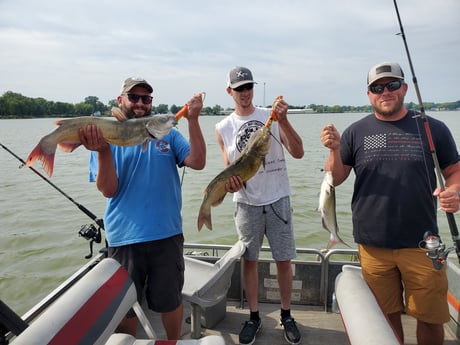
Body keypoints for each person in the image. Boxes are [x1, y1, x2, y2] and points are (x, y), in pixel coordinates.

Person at [320, 62, 460, 345]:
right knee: (384, 317)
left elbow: (454, 171)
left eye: (392, 85)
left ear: (404, 88)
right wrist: (334, 150)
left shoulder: (433, 127)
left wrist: (455, 191)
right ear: (369, 94)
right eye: (377, 87)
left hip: (422, 244)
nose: (385, 92)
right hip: (373, 247)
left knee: (432, 319)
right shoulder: (355, 132)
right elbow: (334, 179)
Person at [79, 77, 206, 339]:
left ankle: (172, 343)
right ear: (120, 100)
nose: (139, 103)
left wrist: (193, 120)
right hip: (124, 239)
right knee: (126, 309)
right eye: (133, 97)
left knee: (170, 302)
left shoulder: (167, 133)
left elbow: (197, 161)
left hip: (166, 235)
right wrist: (103, 151)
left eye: (146, 99)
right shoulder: (106, 135)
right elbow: (108, 190)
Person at [215, 66, 304, 345]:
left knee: (284, 260)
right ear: (230, 91)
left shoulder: (271, 117)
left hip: (278, 198)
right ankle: (253, 316)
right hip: (246, 204)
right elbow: (230, 168)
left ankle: (286, 314)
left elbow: (299, 152)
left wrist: (284, 119)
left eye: (248, 87)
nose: (245, 93)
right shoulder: (222, 128)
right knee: (250, 261)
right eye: (239, 88)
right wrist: (230, 184)